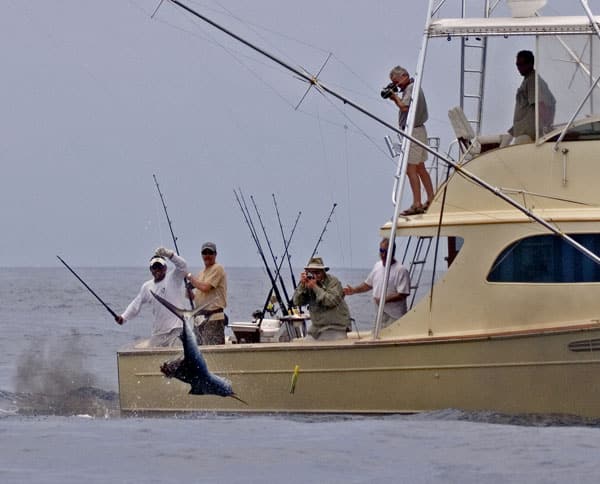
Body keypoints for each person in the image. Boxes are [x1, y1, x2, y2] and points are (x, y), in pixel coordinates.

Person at [115, 247, 189, 347]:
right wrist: (123, 317)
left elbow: (183, 266)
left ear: (165, 268)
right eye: (154, 267)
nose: (157, 270)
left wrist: (169, 254)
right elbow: (136, 304)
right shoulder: (147, 286)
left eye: (160, 267)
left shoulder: (173, 278)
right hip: (158, 333)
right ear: (151, 269)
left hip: (176, 330)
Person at [387, 65, 435, 216]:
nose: (397, 85)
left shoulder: (410, 89)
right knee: (420, 167)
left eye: (397, 81)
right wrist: (395, 96)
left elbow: (404, 107)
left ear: (404, 76)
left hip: (413, 132)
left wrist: (394, 97)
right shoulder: (414, 87)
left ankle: (417, 203)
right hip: (419, 130)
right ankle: (431, 198)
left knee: (411, 169)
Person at [344, 239, 410, 328]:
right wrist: (354, 290)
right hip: (380, 315)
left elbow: (403, 294)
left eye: (386, 251)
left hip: (395, 317)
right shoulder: (377, 266)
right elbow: (368, 284)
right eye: (381, 251)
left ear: (392, 252)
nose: (383, 254)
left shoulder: (401, 270)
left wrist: (384, 300)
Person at [292, 256, 352, 341]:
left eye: (317, 273)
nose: (315, 276)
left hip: (335, 327)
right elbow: (297, 302)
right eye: (311, 273)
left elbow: (330, 301)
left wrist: (315, 287)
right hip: (317, 329)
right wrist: (302, 286)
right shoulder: (308, 284)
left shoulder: (333, 282)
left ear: (323, 272)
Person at [508, 50, 556, 142]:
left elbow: (540, 104)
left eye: (522, 64)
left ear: (530, 63)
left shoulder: (532, 81)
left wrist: (547, 128)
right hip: (524, 133)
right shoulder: (529, 80)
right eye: (517, 64)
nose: (519, 68)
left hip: (529, 137)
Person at [186, 242, 227, 345]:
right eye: (205, 253)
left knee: (211, 350)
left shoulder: (218, 268)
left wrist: (191, 278)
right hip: (200, 318)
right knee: (198, 349)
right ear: (201, 255)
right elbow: (192, 297)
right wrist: (188, 289)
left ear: (215, 254)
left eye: (210, 253)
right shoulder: (201, 273)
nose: (207, 255)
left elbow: (205, 287)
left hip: (214, 318)